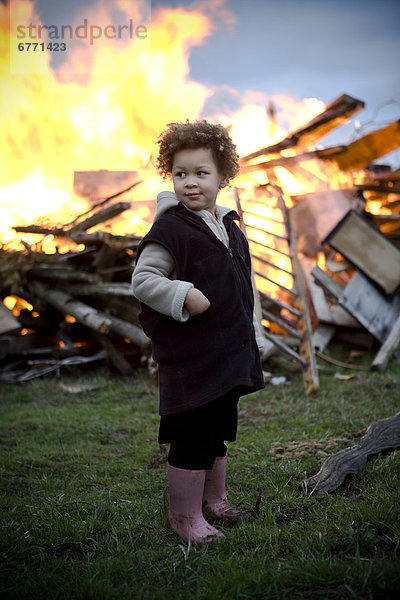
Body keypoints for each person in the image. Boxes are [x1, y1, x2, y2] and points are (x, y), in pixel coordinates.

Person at [131, 120, 265, 545]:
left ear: (223, 177)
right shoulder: (170, 228)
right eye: (181, 173)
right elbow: (144, 279)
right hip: (192, 358)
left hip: (226, 355)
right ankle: (184, 516)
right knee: (191, 434)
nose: (190, 183)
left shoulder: (230, 226)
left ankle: (215, 500)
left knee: (217, 429)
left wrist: (253, 332)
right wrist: (183, 293)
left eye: (201, 173)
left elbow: (245, 286)